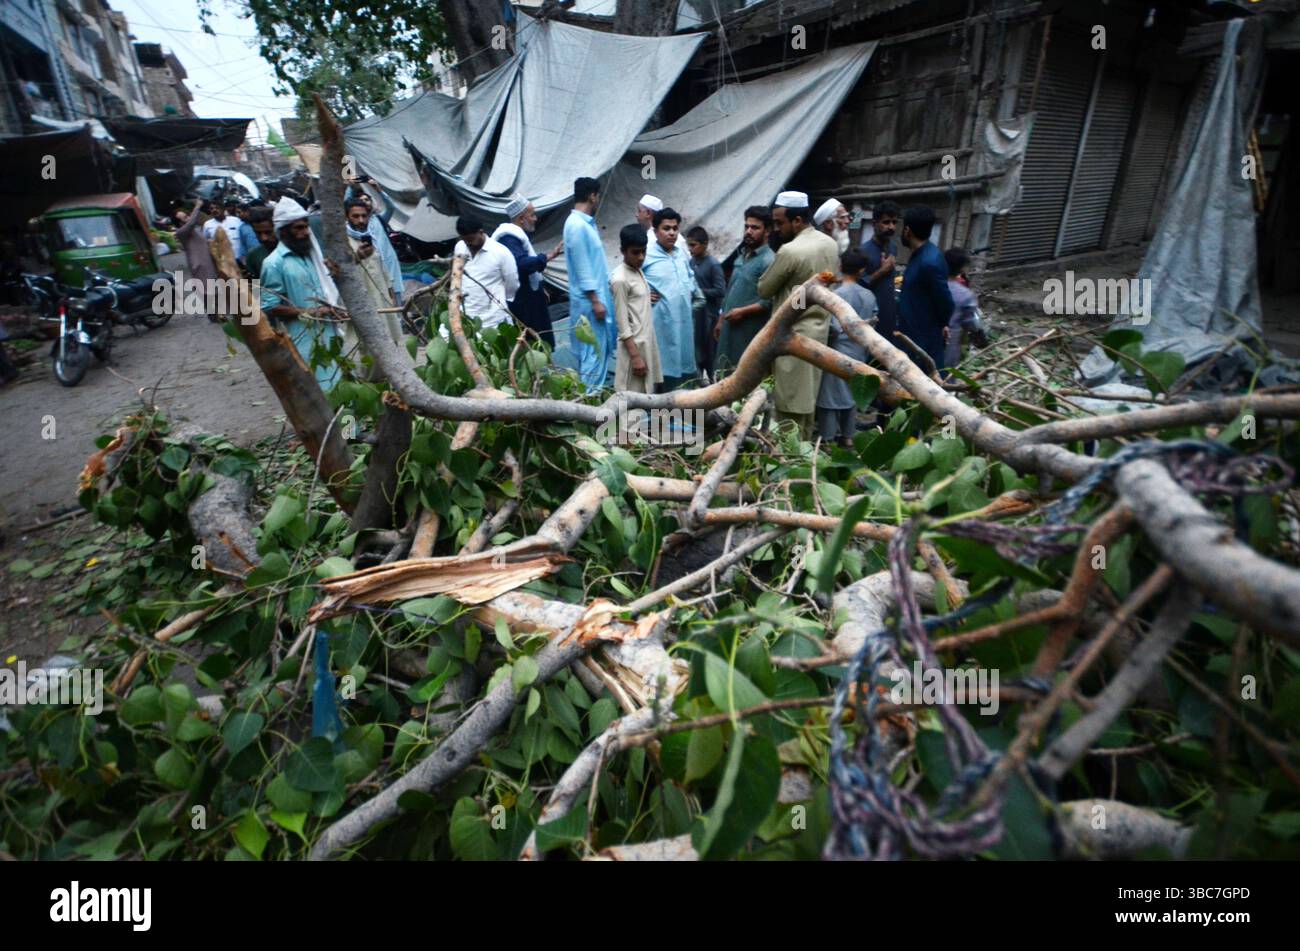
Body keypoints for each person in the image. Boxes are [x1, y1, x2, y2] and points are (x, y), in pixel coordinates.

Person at [757, 190, 840, 439]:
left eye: (779, 223)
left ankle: (787, 464)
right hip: (819, 334)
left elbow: (764, 289)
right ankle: (803, 464)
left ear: (796, 221)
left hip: (792, 337)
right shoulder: (830, 244)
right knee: (807, 407)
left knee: (788, 408)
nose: (775, 229)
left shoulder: (790, 251)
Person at [260, 196, 343, 391]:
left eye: (306, 226)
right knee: (320, 390)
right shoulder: (273, 263)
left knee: (340, 385)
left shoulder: (312, 257)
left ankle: (349, 422)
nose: (305, 232)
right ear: (284, 231)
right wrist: (310, 311)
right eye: (298, 228)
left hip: (328, 334)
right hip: (303, 340)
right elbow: (268, 306)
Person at [816, 250, 877, 447]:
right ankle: (849, 436)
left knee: (829, 397)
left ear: (840, 267)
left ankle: (827, 438)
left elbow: (832, 328)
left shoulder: (836, 294)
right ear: (862, 271)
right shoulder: (869, 295)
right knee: (853, 394)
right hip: (860, 350)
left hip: (837, 350)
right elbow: (873, 323)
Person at [565, 177, 616, 389]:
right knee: (592, 355)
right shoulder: (577, 226)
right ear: (592, 196)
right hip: (590, 302)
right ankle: (590, 406)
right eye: (597, 196)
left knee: (597, 352)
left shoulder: (581, 224)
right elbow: (583, 266)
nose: (597, 201)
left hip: (594, 299)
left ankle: (592, 400)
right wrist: (596, 300)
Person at [642, 207, 701, 392]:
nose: (672, 233)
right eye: (666, 228)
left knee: (683, 370)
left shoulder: (680, 254)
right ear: (655, 230)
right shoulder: (645, 254)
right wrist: (641, 294)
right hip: (660, 325)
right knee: (660, 373)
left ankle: (680, 415)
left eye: (675, 228)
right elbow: (619, 279)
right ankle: (657, 417)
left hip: (683, 324)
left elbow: (691, 281)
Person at [492, 194, 562, 348]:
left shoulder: (516, 236)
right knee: (533, 343)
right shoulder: (508, 238)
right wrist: (548, 256)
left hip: (530, 296)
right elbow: (521, 264)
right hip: (523, 303)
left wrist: (538, 288)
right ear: (522, 218)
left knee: (540, 340)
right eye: (532, 215)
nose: (535, 219)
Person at [714, 206, 775, 372]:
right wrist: (720, 320)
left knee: (743, 375)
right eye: (746, 226)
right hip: (729, 327)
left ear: (767, 230)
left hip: (748, 331)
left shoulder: (768, 260)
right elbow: (730, 290)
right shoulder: (742, 255)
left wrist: (743, 311)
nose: (749, 231)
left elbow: (769, 301)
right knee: (723, 372)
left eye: (755, 228)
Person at [896, 206, 954, 373]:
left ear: (907, 230)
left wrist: (944, 323)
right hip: (913, 331)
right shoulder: (920, 255)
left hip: (923, 336)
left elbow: (946, 301)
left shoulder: (930, 261)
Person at [344, 197, 403, 359]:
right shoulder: (342, 242)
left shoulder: (371, 238)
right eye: (355, 216)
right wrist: (357, 258)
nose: (361, 220)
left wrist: (391, 294)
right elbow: (339, 272)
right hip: (361, 304)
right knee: (368, 349)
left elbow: (383, 269)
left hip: (382, 301)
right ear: (347, 217)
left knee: (391, 341)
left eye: (364, 216)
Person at [609, 224, 663, 394]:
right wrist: (635, 357)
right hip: (634, 347)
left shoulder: (638, 271)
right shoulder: (620, 279)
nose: (641, 257)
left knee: (647, 396)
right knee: (631, 403)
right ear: (623, 251)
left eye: (643, 252)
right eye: (635, 252)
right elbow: (622, 324)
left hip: (647, 343)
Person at [453, 216, 519, 330]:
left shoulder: (501, 252)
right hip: (466, 317)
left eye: (471, 239)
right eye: (464, 240)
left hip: (494, 319)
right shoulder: (460, 247)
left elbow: (512, 284)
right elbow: (456, 278)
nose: (468, 243)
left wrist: (499, 299)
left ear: (481, 232)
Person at [858, 200, 900, 340]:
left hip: (888, 313)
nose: (891, 227)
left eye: (894, 222)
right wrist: (882, 271)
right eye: (886, 222)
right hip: (869, 315)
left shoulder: (893, 248)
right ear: (874, 223)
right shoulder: (862, 251)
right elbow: (858, 286)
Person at [686, 225, 724, 382]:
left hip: (709, 316)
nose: (690, 249)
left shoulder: (713, 265)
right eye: (689, 245)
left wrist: (699, 292)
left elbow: (721, 290)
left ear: (705, 244)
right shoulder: (690, 262)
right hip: (695, 315)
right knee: (696, 351)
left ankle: (712, 385)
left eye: (693, 245)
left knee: (709, 353)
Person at [943, 247, 988, 371]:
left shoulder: (929, 285)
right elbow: (972, 323)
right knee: (946, 379)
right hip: (949, 345)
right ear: (961, 269)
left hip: (923, 340)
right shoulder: (965, 295)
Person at [175, 198, 218, 286]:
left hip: (210, 265)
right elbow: (191, 223)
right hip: (200, 268)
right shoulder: (181, 233)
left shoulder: (196, 230)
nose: (189, 218)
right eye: (185, 217)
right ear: (180, 224)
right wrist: (197, 206)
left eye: (187, 215)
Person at [243, 207, 277, 279]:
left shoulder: (295, 249)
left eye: (268, 232)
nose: (263, 238)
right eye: (258, 233)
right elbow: (255, 288)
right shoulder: (253, 255)